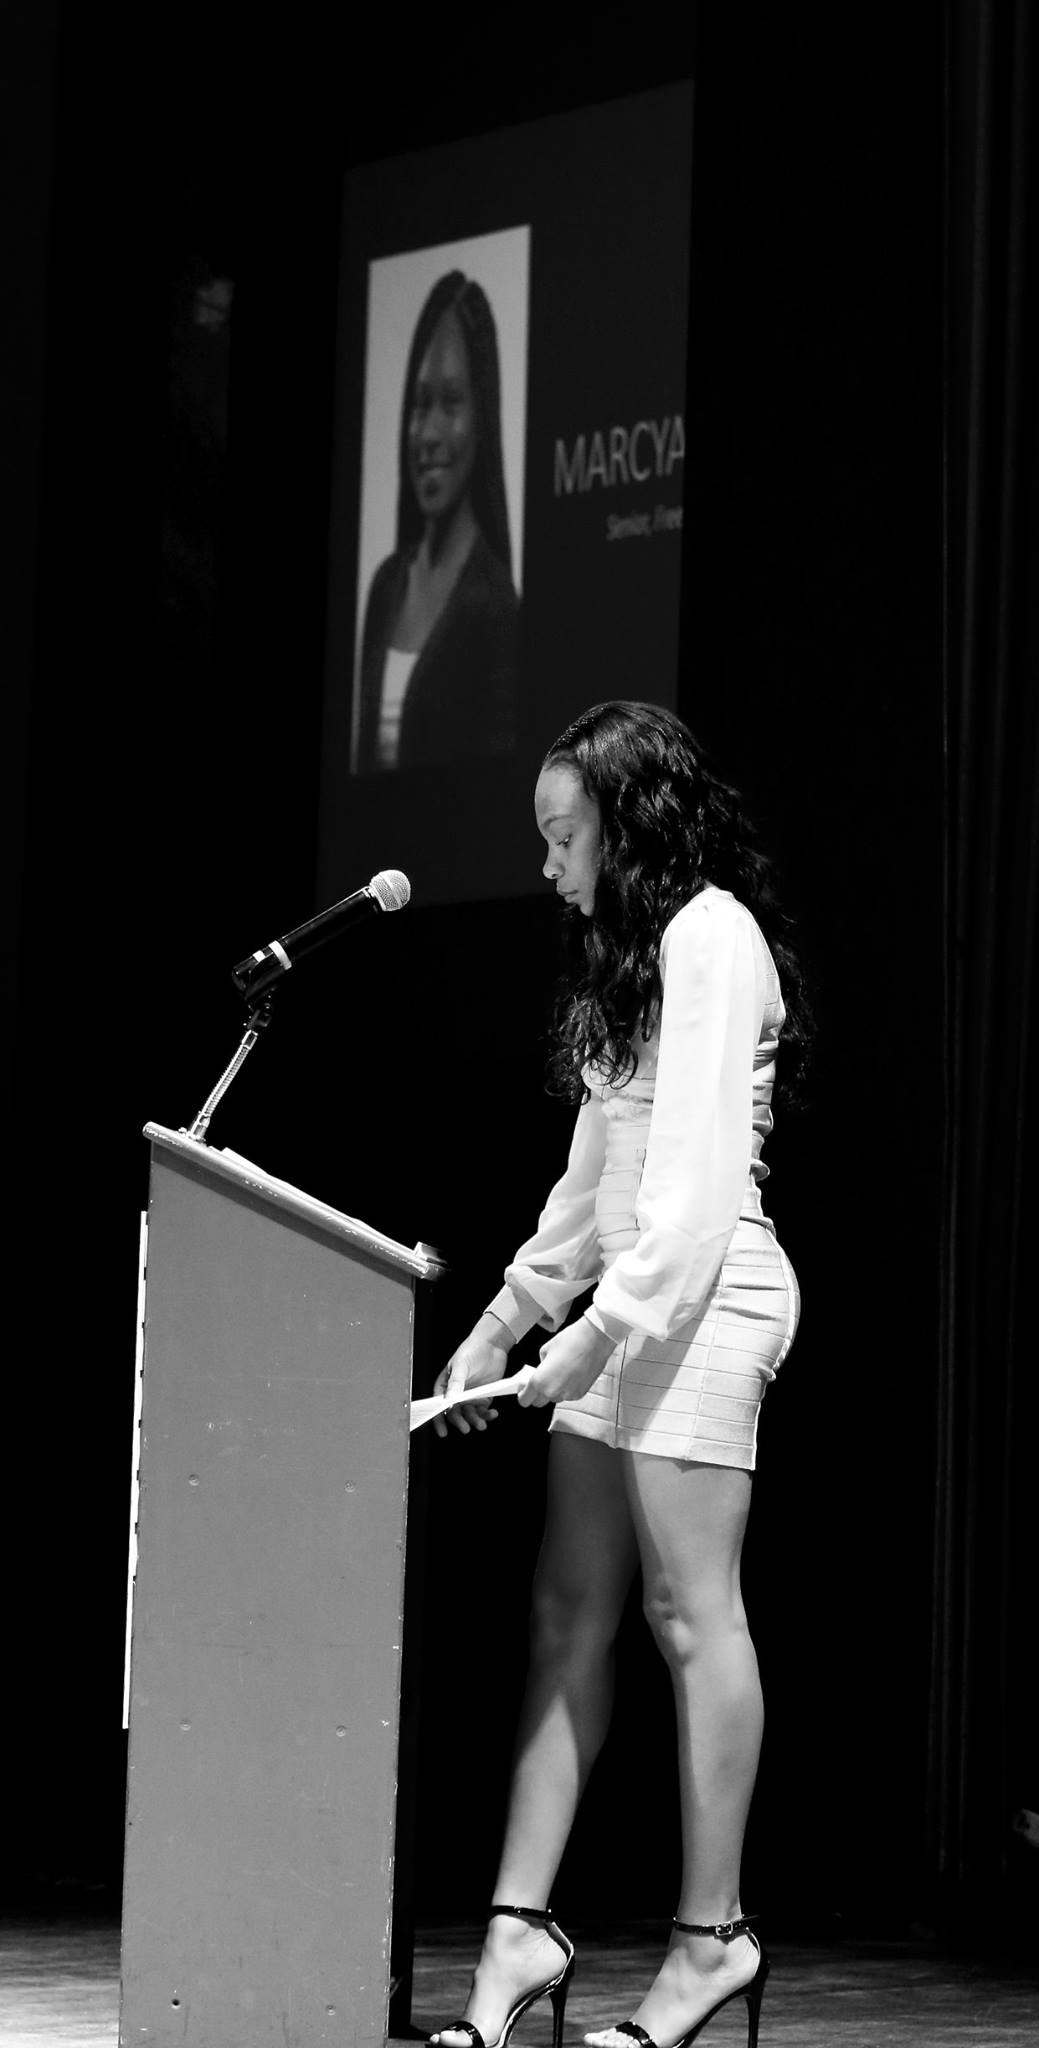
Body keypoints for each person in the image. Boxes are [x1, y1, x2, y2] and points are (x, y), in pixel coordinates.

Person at [427, 701, 811, 2048]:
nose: (547, 865)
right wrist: (501, 1324)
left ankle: (710, 1941)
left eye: (562, 835)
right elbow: (593, 1186)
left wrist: (588, 1337)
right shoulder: (629, 959)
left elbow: (693, 1194)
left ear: (628, 823)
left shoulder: (712, 934)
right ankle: (516, 1930)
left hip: (705, 1294)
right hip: (632, 1297)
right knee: (565, 1610)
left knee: (685, 1611)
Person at [353, 270, 520, 774]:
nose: (428, 432)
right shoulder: (386, 584)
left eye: (451, 403)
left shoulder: (497, 607)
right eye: (420, 404)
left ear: (482, 415)